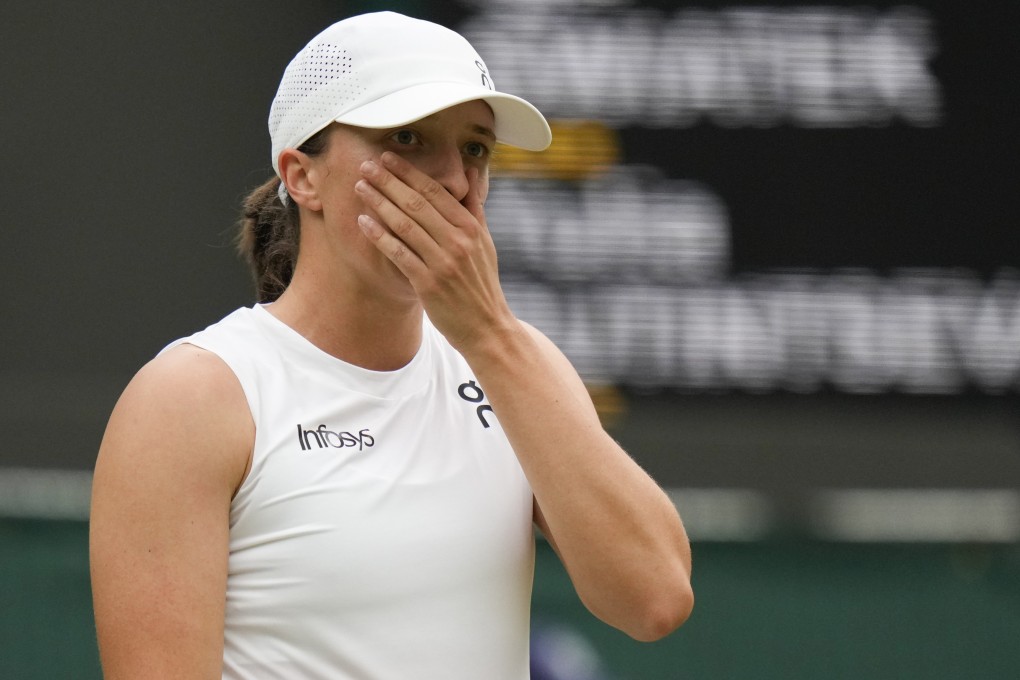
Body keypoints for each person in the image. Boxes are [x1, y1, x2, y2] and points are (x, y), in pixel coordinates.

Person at [89, 11, 693, 679]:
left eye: (476, 149)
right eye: (408, 138)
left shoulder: (513, 363)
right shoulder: (194, 397)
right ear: (302, 176)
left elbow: (655, 599)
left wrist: (490, 335)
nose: (456, 182)